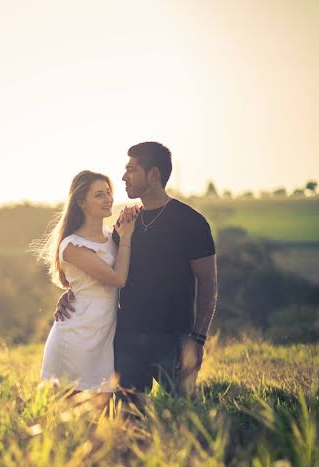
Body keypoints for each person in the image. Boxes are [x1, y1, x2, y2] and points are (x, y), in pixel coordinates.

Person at [55, 142, 218, 403]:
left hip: (174, 341)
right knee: (128, 420)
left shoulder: (192, 223)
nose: (123, 177)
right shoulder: (125, 224)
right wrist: (71, 294)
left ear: (153, 175)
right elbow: (100, 269)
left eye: (131, 170)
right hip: (126, 339)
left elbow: (209, 287)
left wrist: (197, 341)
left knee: (184, 416)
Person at [34, 170, 139, 404]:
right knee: (69, 418)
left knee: (99, 417)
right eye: (99, 195)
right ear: (81, 202)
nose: (108, 199)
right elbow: (117, 279)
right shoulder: (72, 245)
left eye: (109, 193)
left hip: (103, 338)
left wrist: (123, 233)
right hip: (76, 338)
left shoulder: (110, 236)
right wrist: (127, 237)